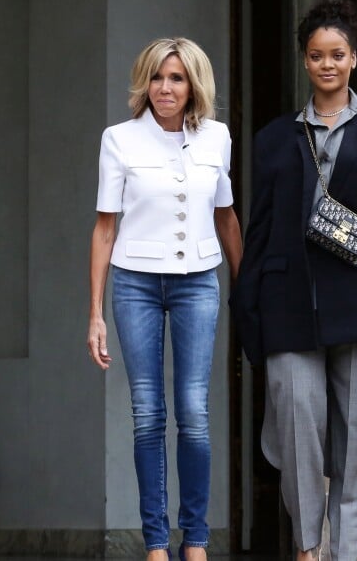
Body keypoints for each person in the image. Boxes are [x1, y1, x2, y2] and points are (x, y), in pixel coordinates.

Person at [232, 0, 357, 561]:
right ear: (305, 60)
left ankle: (345, 553)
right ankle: (308, 545)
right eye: (316, 55)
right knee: (297, 432)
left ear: (354, 59)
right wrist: (251, 319)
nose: (327, 65)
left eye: (337, 55)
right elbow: (260, 229)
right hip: (289, 304)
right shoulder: (274, 138)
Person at [87, 37, 242, 561]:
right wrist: (95, 314)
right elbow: (105, 230)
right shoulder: (119, 139)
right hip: (135, 284)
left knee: (194, 414)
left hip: (199, 281)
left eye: (176, 78)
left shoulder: (217, 137)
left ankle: (195, 540)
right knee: (148, 413)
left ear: (193, 84)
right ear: (144, 83)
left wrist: (245, 291)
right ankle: (156, 543)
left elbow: (225, 216)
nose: (165, 88)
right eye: (157, 77)